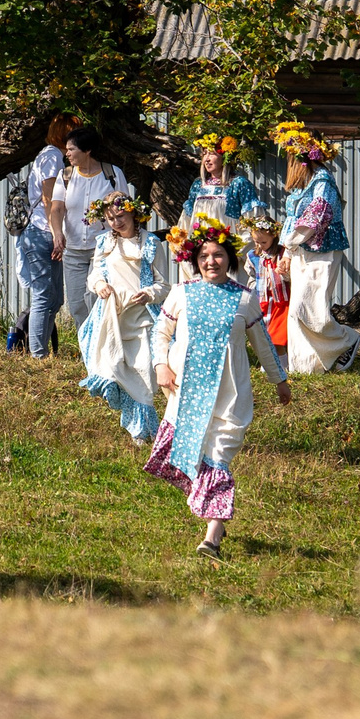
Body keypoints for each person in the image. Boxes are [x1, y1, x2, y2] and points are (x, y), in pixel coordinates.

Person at [146, 215, 290, 558]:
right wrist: (161, 366)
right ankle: (218, 522)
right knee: (195, 460)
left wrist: (280, 381)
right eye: (204, 257)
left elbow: (263, 344)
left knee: (219, 460)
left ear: (230, 258)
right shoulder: (182, 293)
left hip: (230, 396)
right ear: (195, 261)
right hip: (187, 395)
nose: (211, 262)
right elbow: (160, 334)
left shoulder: (245, 298)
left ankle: (211, 538)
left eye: (218, 255)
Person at [77, 191, 168, 441]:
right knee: (112, 366)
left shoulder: (151, 243)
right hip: (112, 317)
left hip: (142, 318)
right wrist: (99, 286)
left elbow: (164, 285)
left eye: (120, 215)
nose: (116, 222)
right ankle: (135, 424)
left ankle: (144, 432)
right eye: (110, 218)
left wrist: (149, 293)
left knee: (143, 372)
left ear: (133, 213)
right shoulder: (105, 242)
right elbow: (95, 274)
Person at [274, 120, 355, 375]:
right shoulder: (301, 185)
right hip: (302, 251)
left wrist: (289, 243)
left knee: (310, 310)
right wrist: (287, 253)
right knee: (298, 312)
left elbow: (318, 216)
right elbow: (291, 219)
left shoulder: (322, 179)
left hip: (323, 250)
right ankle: (306, 368)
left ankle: (347, 340)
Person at [45, 125, 132, 337]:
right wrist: (58, 233)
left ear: (88, 150)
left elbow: (126, 208)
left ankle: (101, 347)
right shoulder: (65, 176)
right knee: (76, 304)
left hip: (103, 248)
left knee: (95, 297)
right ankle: (87, 347)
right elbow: (56, 208)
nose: (67, 154)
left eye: (72, 149)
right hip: (73, 250)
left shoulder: (112, 174)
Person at [11, 116, 75, 356]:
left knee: (55, 298)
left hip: (45, 232)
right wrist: (56, 232)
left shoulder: (52, 155)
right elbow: (50, 198)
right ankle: (37, 353)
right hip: (41, 231)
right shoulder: (52, 156)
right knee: (44, 295)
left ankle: (41, 348)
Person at [180, 135, 264, 232]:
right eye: (204, 154)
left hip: (229, 244)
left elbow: (253, 224)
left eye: (211, 154)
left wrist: (237, 246)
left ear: (224, 157)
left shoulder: (238, 183)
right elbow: (186, 222)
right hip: (201, 245)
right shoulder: (198, 184)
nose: (207, 159)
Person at [247, 213, 289, 360]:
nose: (259, 245)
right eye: (256, 241)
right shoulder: (252, 255)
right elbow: (252, 276)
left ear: (274, 236)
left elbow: (291, 276)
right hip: (262, 301)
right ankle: (270, 363)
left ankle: (281, 365)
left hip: (280, 301)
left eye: (263, 242)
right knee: (263, 336)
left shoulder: (282, 253)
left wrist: (283, 273)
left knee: (277, 337)